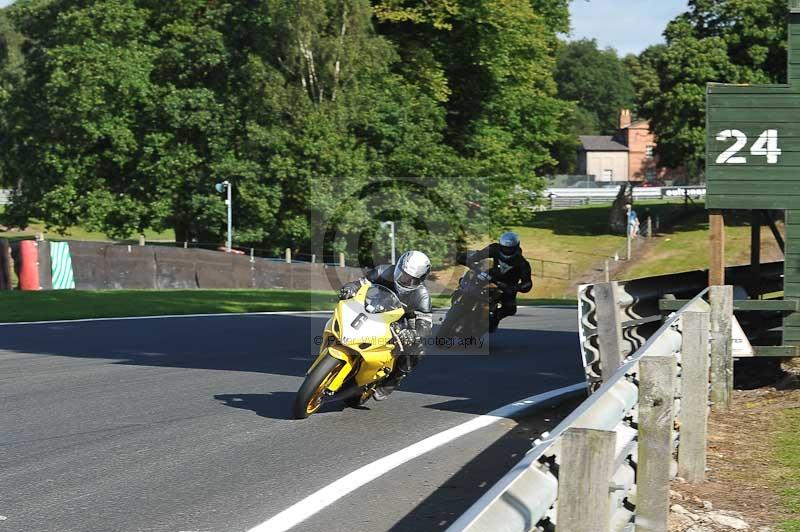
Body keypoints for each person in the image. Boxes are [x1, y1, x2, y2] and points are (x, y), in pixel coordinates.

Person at [338, 251, 433, 400]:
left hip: (400, 321)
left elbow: (426, 324)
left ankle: (391, 382)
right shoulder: (383, 271)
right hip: (374, 306)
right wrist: (351, 287)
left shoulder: (422, 295)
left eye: (411, 280)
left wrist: (415, 334)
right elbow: (361, 283)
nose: (405, 281)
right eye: (403, 275)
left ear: (420, 280)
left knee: (418, 350)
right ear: (398, 267)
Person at [458, 232, 533, 332]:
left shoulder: (522, 263)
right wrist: (468, 258)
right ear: (500, 245)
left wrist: (515, 287)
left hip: (507, 286)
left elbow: (527, 283)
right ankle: (459, 299)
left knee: (510, 309)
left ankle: (493, 319)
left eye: (510, 248)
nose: (507, 250)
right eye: (505, 247)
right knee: (468, 280)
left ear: (516, 247)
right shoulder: (494, 249)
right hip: (490, 276)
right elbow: (479, 255)